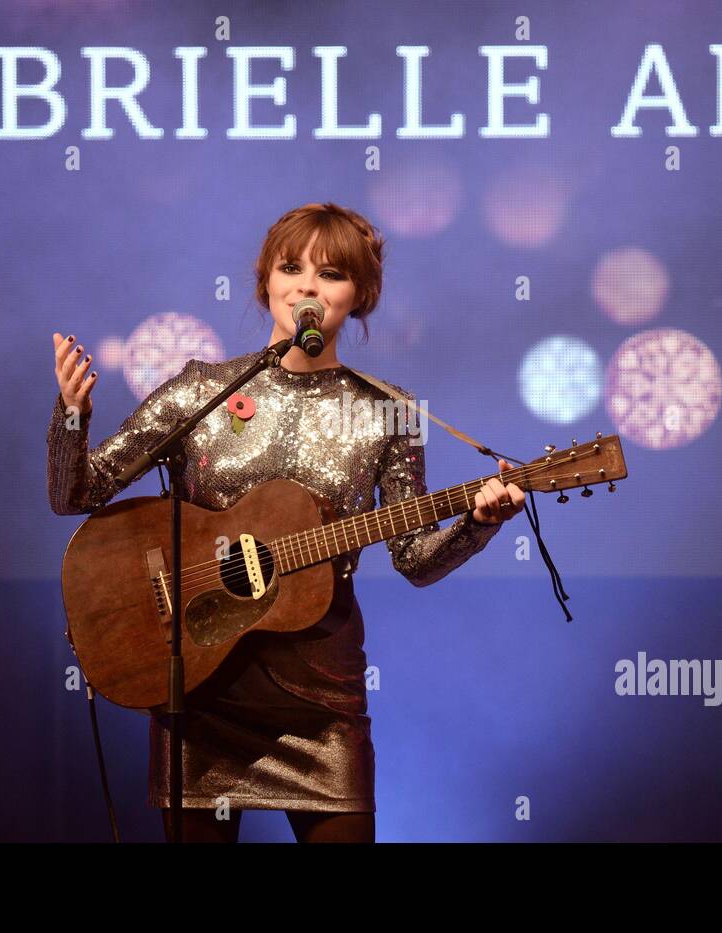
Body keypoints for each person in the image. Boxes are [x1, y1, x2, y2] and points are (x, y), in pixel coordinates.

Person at [47, 203, 526, 843]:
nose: (307, 285)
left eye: (331, 274)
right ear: (266, 284)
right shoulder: (201, 392)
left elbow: (415, 561)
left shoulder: (389, 412)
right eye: (291, 267)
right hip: (201, 685)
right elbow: (75, 493)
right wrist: (72, 415)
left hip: (321, 702)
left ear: (360, 296)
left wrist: (477, 521)